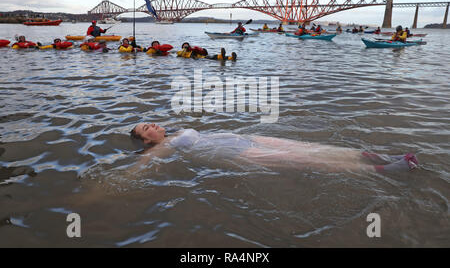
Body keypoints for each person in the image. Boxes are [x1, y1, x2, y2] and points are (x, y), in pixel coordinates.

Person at [129, 123, 419, 174]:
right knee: (303, 161)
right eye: (146, 128)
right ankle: (383, 170)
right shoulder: (161, 148)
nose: (152, 125)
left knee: (311, 148)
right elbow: (141, 167)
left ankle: (375, 156)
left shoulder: (179, 131)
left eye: (149, 123)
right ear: (146, 141)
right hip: (236, 152)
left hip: (246, 138)